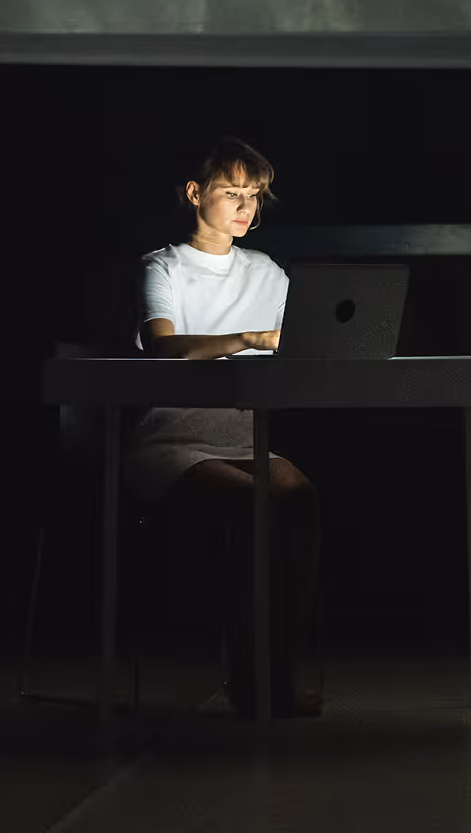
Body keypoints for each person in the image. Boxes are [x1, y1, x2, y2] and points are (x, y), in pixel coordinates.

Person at [125, 136, 322, 719]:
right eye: (232, 193)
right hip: (171, 440)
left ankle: (275, 670)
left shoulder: (266, 272)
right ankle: (253, 677)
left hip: (244, 438)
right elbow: (163, 345)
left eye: (255, 196)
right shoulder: (162, 266)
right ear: (195, 194)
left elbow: (304, 347)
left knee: (301, 500)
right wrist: (247, 340)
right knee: (258, 505)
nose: (246, 207)